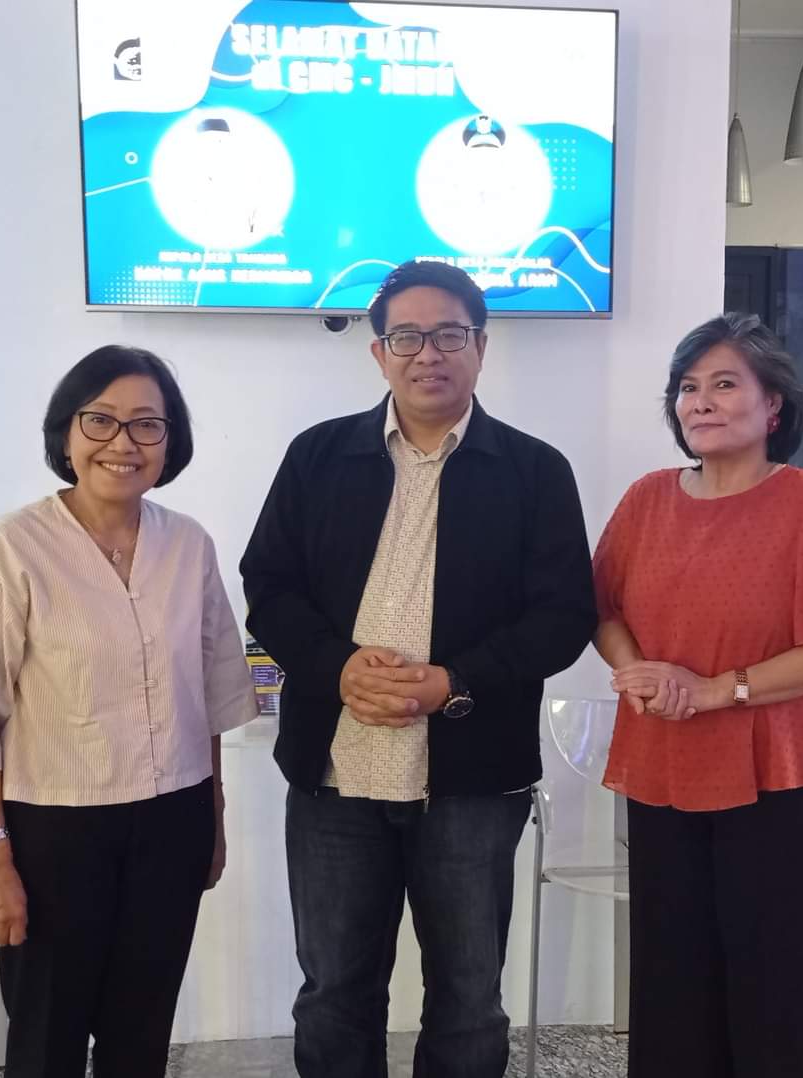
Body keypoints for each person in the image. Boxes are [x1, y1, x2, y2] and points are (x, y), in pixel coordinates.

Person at [240, 259, 597, 1078]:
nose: (427, 353)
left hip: (473, 779)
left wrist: (454, 682)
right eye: (406, 336)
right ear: (379, 353)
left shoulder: (535, 470)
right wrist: (337, 669)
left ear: (481, 347)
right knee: (334, 993)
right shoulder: (318, 456)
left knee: (469, 999)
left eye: (448, 335)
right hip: (336, 774)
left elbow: (562, 616)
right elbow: (269, 585)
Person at [0, 345, 258, 1078]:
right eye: (100, 419)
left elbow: (206, 698)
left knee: (141, 1034)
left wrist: (214, 820)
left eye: (147, 424)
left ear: (170, 440)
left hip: (173, 822)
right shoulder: (12, 548)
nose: (122, 442)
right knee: (47, 1038)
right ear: (67, 432)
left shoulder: (188, 545)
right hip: (52, 833)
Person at [592, 313, 803, 1078]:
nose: (700, 401)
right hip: (664, 769)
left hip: (779, 778)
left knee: (771, 985)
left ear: (773, 405)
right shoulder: (647, 500)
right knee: (670, 981)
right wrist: (638, 671)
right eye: (688, 387)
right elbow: (601, 609)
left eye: (725, 384)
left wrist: (715, 690)